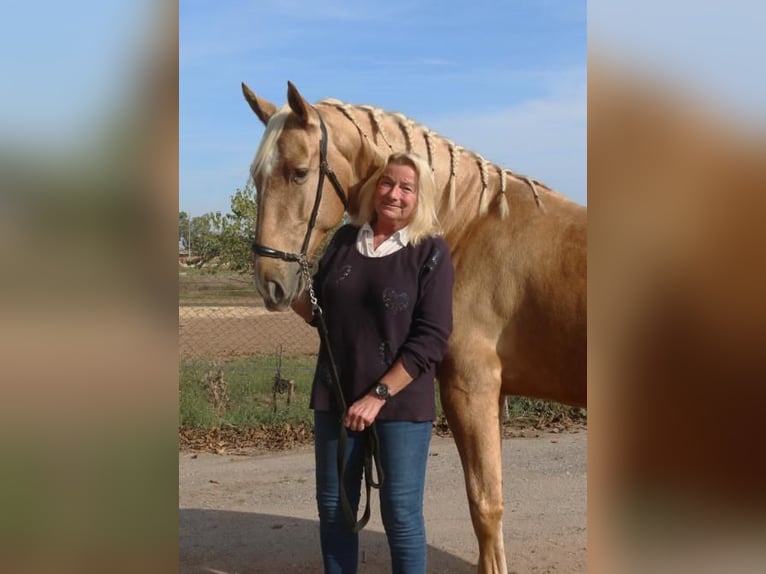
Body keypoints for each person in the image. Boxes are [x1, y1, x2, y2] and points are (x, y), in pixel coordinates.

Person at [290, 151, 454, 574]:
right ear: (374, 188)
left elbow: (431, 338)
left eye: (406, 187)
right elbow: (319, 314)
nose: (394, 194)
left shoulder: (429, 251)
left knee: (400, 514)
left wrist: (378, 395)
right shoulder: (345, 241)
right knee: (334, 508)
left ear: (420, 198)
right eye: (387, 183)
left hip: (399, 403)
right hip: (337, 394)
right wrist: (284, 287)